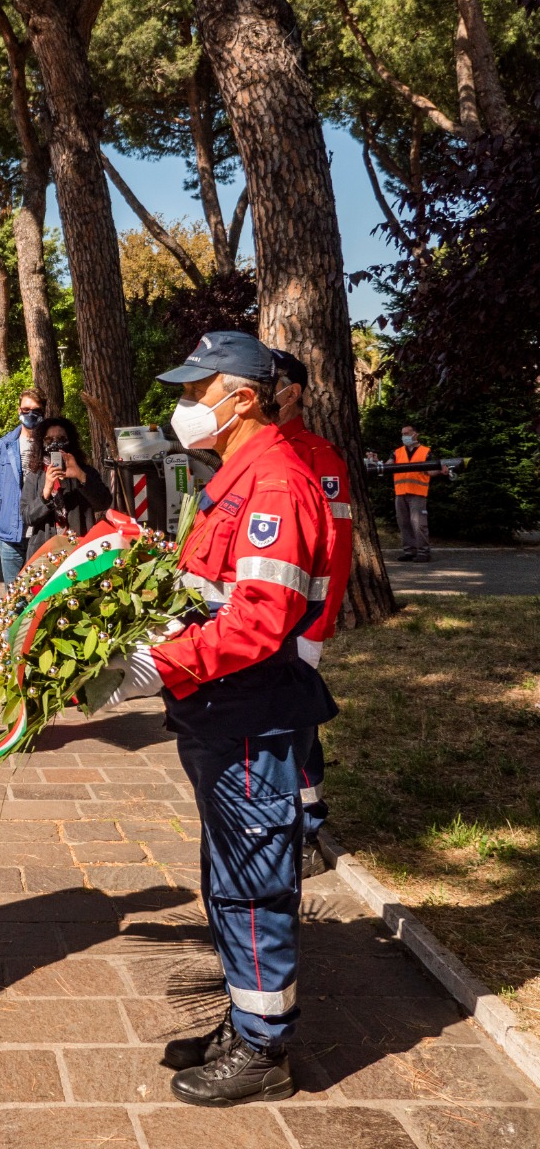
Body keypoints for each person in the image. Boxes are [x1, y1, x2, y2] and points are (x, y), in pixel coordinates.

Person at [104, 331, 335, 1106]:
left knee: (253, 883)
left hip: (251, 713)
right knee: (229, 875)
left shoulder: (275, 484)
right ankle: (247, 1024)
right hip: (223, 709)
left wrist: (155, 668)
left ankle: (265, 1051)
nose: (182, 406)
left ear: (241, 398)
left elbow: (259, 622)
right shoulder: (237, 476)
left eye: (194, 392)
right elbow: (208, 595)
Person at [271, 350, 355, 880]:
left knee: (296, 725)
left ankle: (305, 829)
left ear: (294, 392)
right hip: (252, 621)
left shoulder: (318, 456)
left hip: (299, 622)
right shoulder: (248, 454)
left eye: (272, 381)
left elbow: (336, 547)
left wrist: (317, 626)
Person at [19, 417, 114, 558]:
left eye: (61, 438)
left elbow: (103, 503)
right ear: (41, 443)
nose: (55, 443)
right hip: (44, 552)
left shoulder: (85, 472)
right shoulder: (35, 476)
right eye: (49, 439)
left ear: (70, 441)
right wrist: (46, 493)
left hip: (80, 550)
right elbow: (27, 517)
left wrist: (81, 476)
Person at [0, 387, 46, 586]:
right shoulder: (3, 445)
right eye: (26, 409)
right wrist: (8, 508)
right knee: (14, 596)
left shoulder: (50, 446)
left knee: (40, 595)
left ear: (43, 412)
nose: (30, 414)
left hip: (42, 533)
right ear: (19, 411)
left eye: (36, 410)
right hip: (11, 534)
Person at [393, 424, 440, 562]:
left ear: (415, 434)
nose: (404, 436)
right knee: (404, 523)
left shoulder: (425, 452)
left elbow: (432, 471)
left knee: (419, 524)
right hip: (400, 493)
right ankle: (409, 551)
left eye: (407, 433)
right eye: (403, 434)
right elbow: (388, 465)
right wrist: (376, 463)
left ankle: (423, 552)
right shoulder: (397, 452)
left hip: (417, 493)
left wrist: (439, 470)